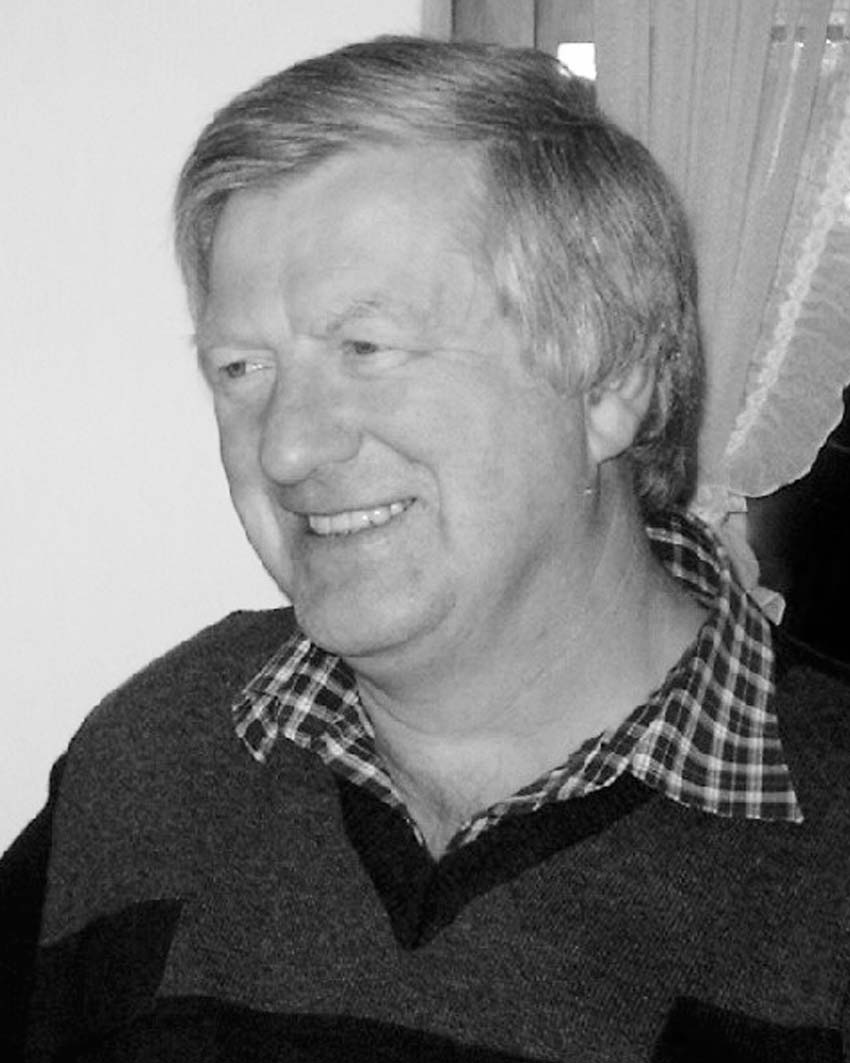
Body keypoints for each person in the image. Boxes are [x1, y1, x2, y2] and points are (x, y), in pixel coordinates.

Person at [3, 35, 849, 1063]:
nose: (287, 447)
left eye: (365, 347)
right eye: (241, 369)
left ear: (608, 380)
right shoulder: (152, 758)